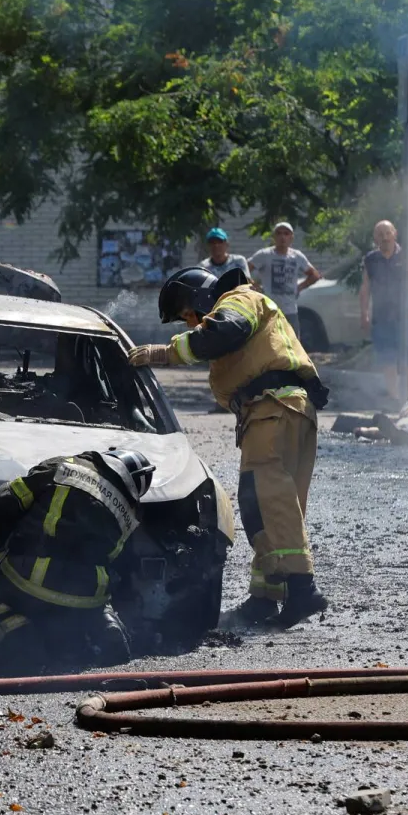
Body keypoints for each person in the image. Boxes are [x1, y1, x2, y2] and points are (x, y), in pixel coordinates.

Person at [128, 267, 330, 629]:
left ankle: (302, 588)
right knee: (277, 505)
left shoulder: (238, 300)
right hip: (291, 410)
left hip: (271, 408)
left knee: (262, 499)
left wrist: (164, 353)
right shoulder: (254, 305)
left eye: (189, 316)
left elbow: (222, 331)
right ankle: (266, 597)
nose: (192, 327)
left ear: (200, 298)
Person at [0, 449, 154, 668]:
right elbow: (118, 560)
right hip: (88, 597)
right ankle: (106, 626)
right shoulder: (131, 513)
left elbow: (1, 502)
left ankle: (20, 638)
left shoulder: (64, 467)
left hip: (30, 582)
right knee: (98, 601)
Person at [360, 220, 408, 399]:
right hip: (382, 317)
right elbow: (365, 288)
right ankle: (395, 398)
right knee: (387, 359)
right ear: (375, 238)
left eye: (387, 233)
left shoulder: (407, 256)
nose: (384, 237)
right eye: (380, 234)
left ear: (395, 234)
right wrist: (364, 314)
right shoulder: (370, 259)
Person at [246, 222, 320, 339]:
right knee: (269, 343)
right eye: (279, 233)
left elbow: (314, 274)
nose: (282, 237)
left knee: (293, 344)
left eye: (286, 233)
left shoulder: (296, 256)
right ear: (274, 237)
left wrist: (300, 287)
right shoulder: (264, 254)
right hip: (269, 310)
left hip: (290, 309)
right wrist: (255, 287)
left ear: (291, 237)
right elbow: (244, 269)